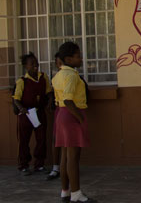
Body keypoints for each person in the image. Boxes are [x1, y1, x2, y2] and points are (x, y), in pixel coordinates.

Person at [52, 42, 95, 202]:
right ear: (69, 59)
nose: (81, 58)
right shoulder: (70, 75)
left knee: (65, 156)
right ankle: (76, 193)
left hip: (62, 114)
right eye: (78, 56)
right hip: (71, 114)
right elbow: (68, 99)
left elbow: (59, 100)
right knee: (73, 157)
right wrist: (80, 118)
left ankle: (65, 191)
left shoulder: (57, 76)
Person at [12, 52, 52, 175]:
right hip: (27, 113)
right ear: (26, 66)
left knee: (41, 138)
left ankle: (39, 164)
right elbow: (16, 98)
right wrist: (21, 108)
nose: (36, 66)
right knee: (24, 140)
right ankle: (23, 164)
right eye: (32, 64)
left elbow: (49, 92)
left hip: (39, 112)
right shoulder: (22, 81)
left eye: (37, 63)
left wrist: (50, 102)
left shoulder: (43, 77)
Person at [47, 53, 64, 181]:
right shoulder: (56, 78)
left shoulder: (73, 77)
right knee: (56, 140)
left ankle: (67, 167)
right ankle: (55, 167)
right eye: (58, 63)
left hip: (68, 110)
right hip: (60, 110)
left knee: (68, 143)